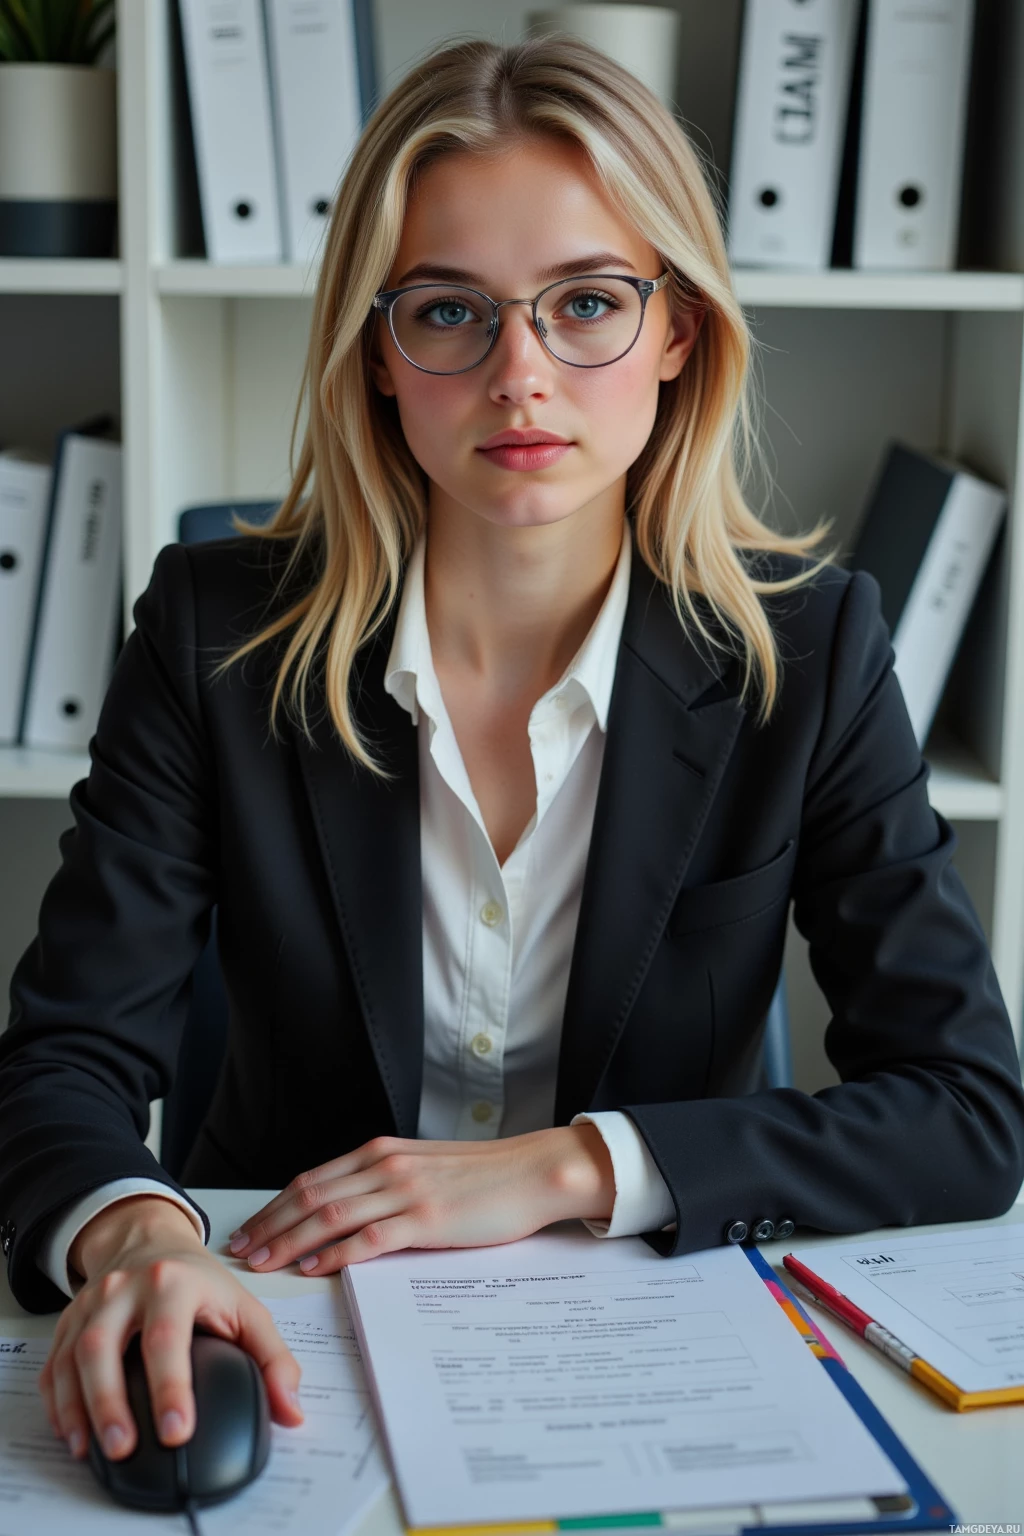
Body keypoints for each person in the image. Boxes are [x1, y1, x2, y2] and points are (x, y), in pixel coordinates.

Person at [2, 30, 1022, 1483]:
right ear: (375, 351)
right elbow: (66, 1059)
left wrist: (571, 1165)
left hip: (647, 1363)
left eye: (588, 303)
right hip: (301, 1337)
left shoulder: (813, 657)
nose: (519, 376)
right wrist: (141, 1238)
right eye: (448, 312)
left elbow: (968, 1110)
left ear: (678, 333)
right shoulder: (210, 630)